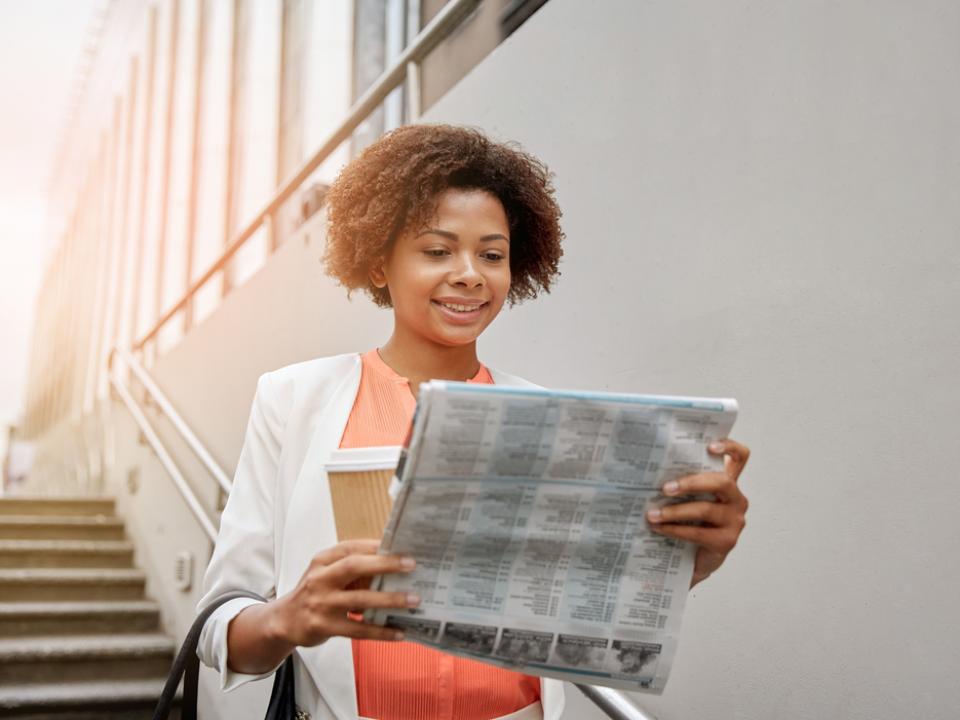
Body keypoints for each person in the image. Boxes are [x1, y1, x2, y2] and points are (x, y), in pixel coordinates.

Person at [197, 124, 751, 720]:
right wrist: (289, 616)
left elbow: (580, 609)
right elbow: (218, 632)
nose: (470, 274)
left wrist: (687, 562)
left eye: (492, 254)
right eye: (437, 251)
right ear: (379, 264)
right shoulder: (293, 400)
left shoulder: (548, 416)